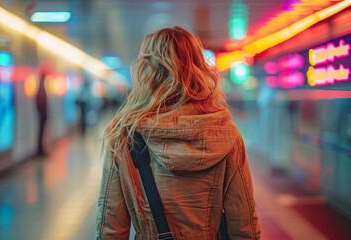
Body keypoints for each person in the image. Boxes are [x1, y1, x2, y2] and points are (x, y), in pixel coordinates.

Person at [96, 26, 261, 240]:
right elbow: (244, 222)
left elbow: (111, 226)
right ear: (198, 67)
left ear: (147, 70)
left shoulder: (125, 135)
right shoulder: (226, 132)